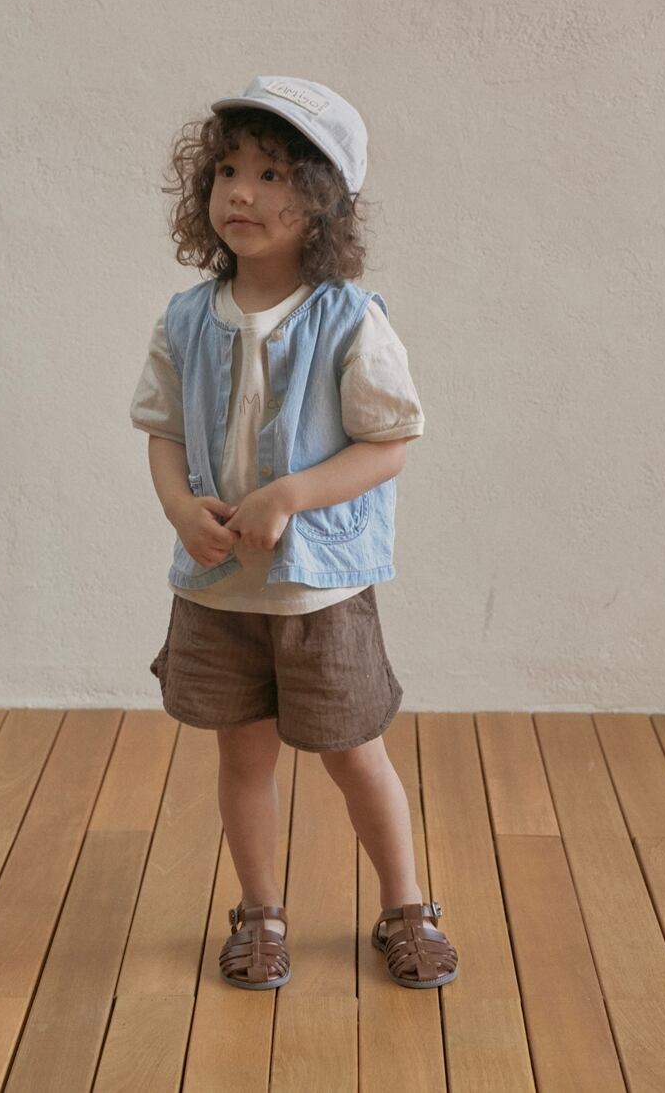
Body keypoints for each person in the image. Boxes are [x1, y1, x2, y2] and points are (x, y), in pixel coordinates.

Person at [130, 75, 459, 990]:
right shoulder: (186, 319)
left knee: (355, 755)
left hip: (321, 592)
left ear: (321, 202)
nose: (241, 192)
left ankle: (406, 907)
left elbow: (389, 444)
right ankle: (261, 912)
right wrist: (179, 507)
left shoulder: (350, 321)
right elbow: (162, 430)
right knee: (242, 757)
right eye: (228, 171)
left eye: (273, 175)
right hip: (219, 590)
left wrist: (291, 495)